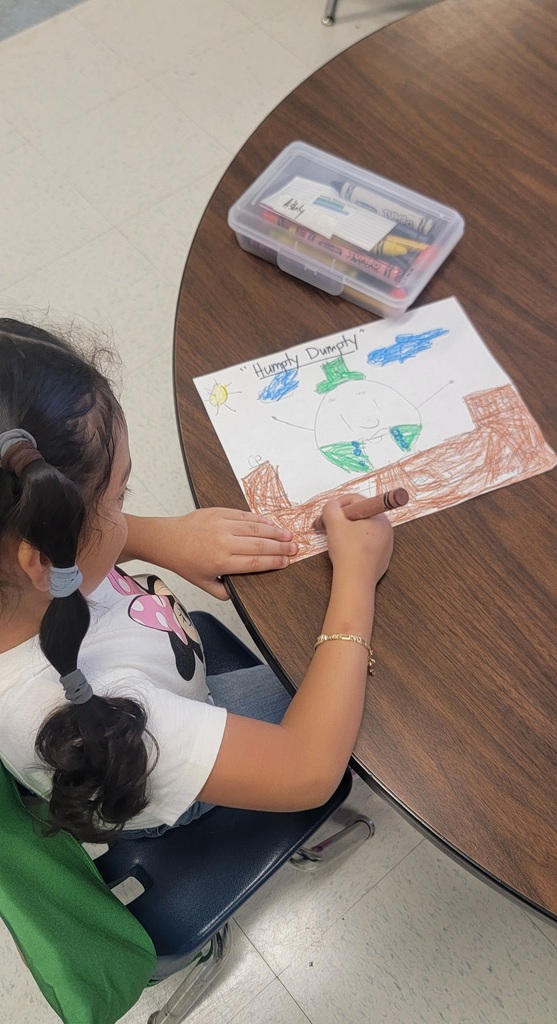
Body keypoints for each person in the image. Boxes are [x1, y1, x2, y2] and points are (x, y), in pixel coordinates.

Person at [0, 319, 393, 843]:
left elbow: (57, 529)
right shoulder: (109, 725)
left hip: (166, 690)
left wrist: (160, 537)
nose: (125, 508)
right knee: (383, 710)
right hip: (156, 766)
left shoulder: (21, 576)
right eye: (120, 497)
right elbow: (308, 770)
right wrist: (357, 574)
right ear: (45, 559)